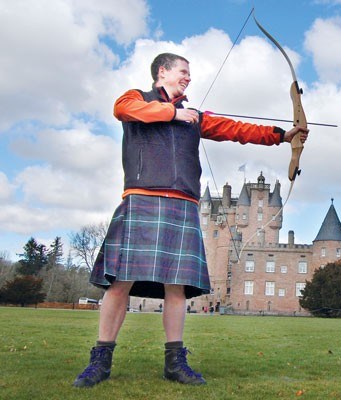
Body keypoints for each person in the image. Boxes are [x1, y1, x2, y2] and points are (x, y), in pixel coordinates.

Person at [73, 53, 308, 388]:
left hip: (182, 203)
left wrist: (282, 135)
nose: (188, 78)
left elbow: (235, 129)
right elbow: (121, 109)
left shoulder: (195, 117)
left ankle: (174, 362)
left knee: (176, 288)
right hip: (141, 197)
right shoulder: (137, 99)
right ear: (162, 72)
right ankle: (101, 360)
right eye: (183, 72)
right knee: (119, 283)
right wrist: (173, 112)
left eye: (189, 73)